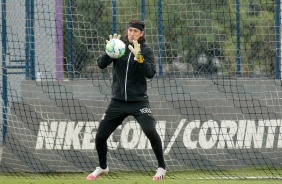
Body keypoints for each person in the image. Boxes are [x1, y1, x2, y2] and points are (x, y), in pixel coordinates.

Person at [86, 19, 166, 181]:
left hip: (139, 101)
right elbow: (101, 65)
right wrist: (108, 52)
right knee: (100, 136)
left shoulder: (146, 51)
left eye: (135, 31)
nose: (132, 33)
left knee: (150, 131)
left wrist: (140, 59)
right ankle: (102, 167)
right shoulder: (119, 47)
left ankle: (161, 167)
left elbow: (150, 73)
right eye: (130, 30)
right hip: (118, 101)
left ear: (141, 34)